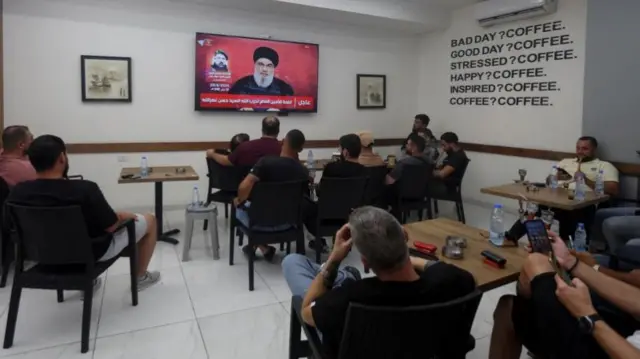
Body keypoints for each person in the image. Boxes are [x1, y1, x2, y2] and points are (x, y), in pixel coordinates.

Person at [282, 206, 476, 359]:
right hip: (421, 346)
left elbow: (306, 311)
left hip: (350, 341)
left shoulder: (349, 299)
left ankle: (344, 274)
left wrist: (334, 258)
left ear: (365, 262)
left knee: (292, 262)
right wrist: (402, 252)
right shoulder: (451, 281)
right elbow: (451, 273)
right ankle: (346, 275)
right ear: (404, 239)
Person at [7, 135, 160, 291]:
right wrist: (121, 216)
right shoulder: (84, 189)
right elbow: (111, 227)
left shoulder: (18, 192)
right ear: (61, 158)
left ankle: (89, 283)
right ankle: (140, 277)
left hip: (41, 255)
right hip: (91, 253)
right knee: (150, 220)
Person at [489, 232, 640, 359]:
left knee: (536, 262)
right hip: (623, 336)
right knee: (508, 307)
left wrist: (587, 315)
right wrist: (571, 262)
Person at [506, 136, 619, 242]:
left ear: (594, 150)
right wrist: (555, 177)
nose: (580, 152)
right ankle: (512, 238)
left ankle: (566, 248)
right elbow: (548, 181)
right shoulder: (565, 162)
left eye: (585, 149)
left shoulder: (603, 166)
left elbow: (613, 189)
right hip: (557, 201)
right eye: (578, 148)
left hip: (583, 205)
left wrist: (585, 179)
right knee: (533, 209)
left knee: (573, 215)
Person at [234, 129, 310, 261]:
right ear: (301, 149)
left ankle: (259, 245)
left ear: (283, 142)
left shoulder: (265, 163)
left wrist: (239, 200)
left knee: (239, 206)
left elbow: (244, 187)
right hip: (289, 223)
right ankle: (263, 247)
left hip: (258, 222)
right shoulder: (303, 171)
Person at [206, 116, 281, 167]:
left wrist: (212, 154)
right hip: (278, 190)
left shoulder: (246, 147)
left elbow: (226, 161)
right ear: (278, 131)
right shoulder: (284, 149)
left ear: (262, 130)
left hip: (249, 189)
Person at [228, 47, 294, 96]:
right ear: (255, 65)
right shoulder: (240, 85)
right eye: (261, 64)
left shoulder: (284, 88)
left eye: (269, 66)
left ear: (274, 68)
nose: (264, 69)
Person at [430, 132, 469, 197]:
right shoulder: (451, 155)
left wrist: (427, 171)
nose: (443, 148)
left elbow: (442, 174)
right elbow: (441, 168)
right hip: (443, 184)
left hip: (447, 188)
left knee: (418, 186)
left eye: (444, 145)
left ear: (452, 144)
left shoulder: (457, 156)